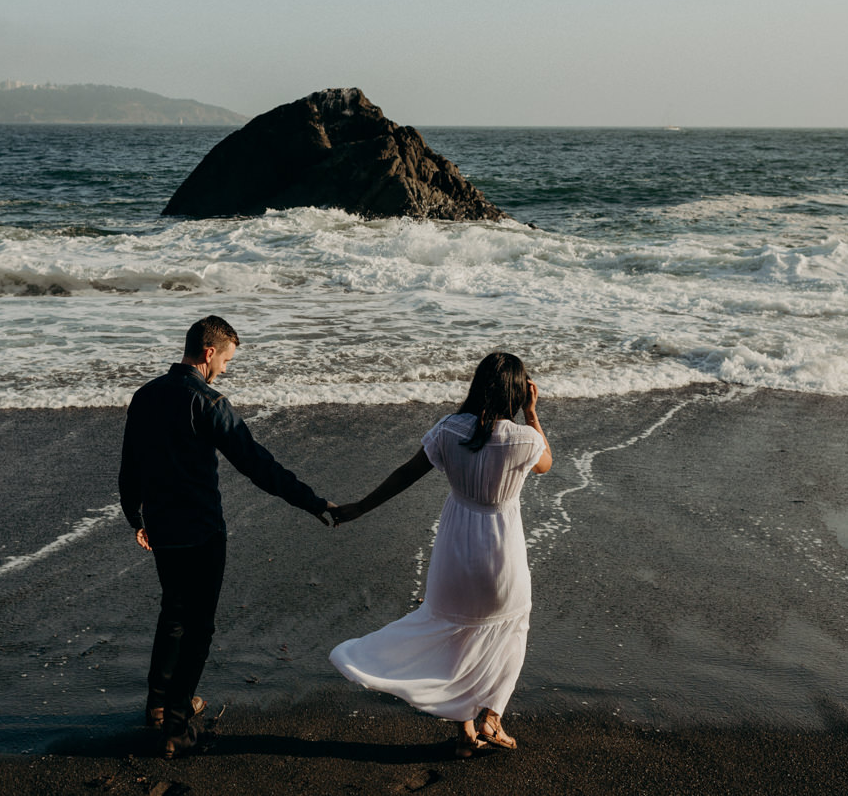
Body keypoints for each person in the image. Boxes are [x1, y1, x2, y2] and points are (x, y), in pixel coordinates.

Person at [119, 315, 335, 757]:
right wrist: (313, 502)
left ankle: (158, 706)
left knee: (173, 613)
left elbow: (129, 468)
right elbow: (258, 465)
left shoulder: (145, 396)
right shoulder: (209, 403)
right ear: (209, 352)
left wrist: (135, 519)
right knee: (198, 626)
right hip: (201, 532)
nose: (224, 370)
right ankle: (177, 726)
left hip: (161, 527)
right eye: (226, 360)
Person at [329, 352, 552, 758]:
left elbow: (405, 474)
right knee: (511, 627)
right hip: (502, 551)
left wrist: (359, 507)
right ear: (518, 394)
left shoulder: (449, 430)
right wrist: (532, 413)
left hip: (454, 546)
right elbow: (546, 465)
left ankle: (465, 732)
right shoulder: (525, 439)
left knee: (452, 631)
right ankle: (492, 716)